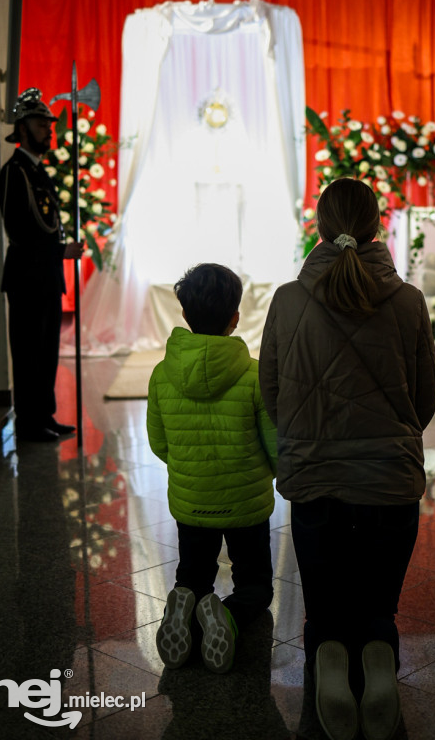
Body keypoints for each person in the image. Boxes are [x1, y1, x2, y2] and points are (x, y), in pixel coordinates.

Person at [259, 178, 435, 740]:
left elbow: (272, 392)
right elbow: (424, 399)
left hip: (315, 479)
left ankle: (331, 664)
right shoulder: (408, 300)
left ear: (318, 225)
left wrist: (308, 433)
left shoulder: (288, 298)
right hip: (390, 479)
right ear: (377, 224)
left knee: (326, 602)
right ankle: (379, 662)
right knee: (378, 602)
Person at [146, 263, 277, 674]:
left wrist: (190, 467)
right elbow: (275, 446)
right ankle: (230, 615)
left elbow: (158, 441)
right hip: (246, 502)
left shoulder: (161, 375)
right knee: (254, 585)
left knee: (194, 571)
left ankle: (184, 601)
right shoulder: (255, 376)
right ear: (235, 318)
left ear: (184, 314)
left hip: (192, 500)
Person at [0, 88, 84, 442]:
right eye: (40, 124)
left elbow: (46, 226)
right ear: (21, 130)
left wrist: (59, 250)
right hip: (27, 276)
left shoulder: (36, 172)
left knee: (46, 352)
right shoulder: (14, 173)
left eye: (49, 125)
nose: (49, 130)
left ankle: (44, 416)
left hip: (45, 276)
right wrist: (60, 250)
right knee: (30, 353)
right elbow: (20, 230)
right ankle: (29, 423)